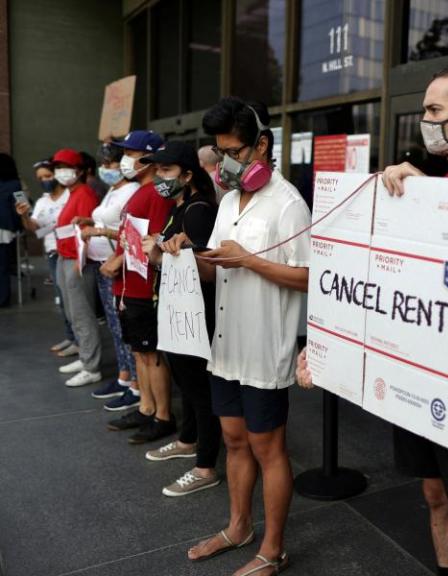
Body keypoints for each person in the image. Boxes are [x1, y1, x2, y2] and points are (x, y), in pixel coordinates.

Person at [300, 63, 448, 576]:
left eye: (435, 110)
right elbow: (376, 284)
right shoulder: (432, 185)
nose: (426, 121)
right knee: (434, 496)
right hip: (418, 366)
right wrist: (325, 342)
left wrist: (441, 205)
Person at [164, 98, 308, 574]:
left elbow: (309, 277)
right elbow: (215, 272)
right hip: (225, 345)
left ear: (261, 145)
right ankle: (238, 526)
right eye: (219, 150)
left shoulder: (288, 203)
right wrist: (187, 254)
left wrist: (249, 260)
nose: (225, 162)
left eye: (233, 150)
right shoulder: (227, 202)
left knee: (269, 448)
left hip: (265, 347)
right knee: (234, 440)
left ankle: (273, 549)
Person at [140, 141, 222, 497]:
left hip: (194, 315)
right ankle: (188, 440)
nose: (160, 177)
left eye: (167, 170)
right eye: (157, 170)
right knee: (187, 385)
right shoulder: (182, 206)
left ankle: (206, 466)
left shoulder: (199, 209)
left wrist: (160, 255)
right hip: (178, 313)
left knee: (200, 391)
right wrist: (159, 250)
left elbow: (205, 269)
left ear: (188, 175)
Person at [100, 130, 177, 439]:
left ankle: (162, 415)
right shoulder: (139, 190)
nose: (125, 160)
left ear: (148, 158)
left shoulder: (157, 192)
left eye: (130, 154)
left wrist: (120, 259)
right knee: (138, 352)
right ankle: (146, 407)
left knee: (150, 353)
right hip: (129, 285)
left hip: (145, 286)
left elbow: (156, 238)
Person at [78, 143, 140, 403]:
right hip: (103, 262)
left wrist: (101, 232)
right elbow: (107, 220)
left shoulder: (132, 191)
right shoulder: (113, 190)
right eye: (103, 163)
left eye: (110, 163)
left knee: (125, 328)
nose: (106, 169)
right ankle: (124, 376)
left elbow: (132, 232)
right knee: (115, 327)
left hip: (120, 265)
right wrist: (90, 223)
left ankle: (136, 385)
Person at [51, 148, 103, 387]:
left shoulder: (85, 194)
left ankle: (91, 366)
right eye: (58, 167)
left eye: (66, 167)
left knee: (82, 314)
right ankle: (85, 357)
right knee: (74, 313)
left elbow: (89, 232)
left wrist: (78, 264)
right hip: (66, 257)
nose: (61, 172)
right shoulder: (73, 192)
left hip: (77, 261)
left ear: (80, 171)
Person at [16, 160, 75, 350]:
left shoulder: (70, 195)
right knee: (62, 300)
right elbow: (34, 228)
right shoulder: (42, 201)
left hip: (72, 252)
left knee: (75, 301)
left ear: (57, 174)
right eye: (40, 178)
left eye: (48, 176)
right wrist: (24, 215)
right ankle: (71, 337)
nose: (45, 181)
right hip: (53, 253)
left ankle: (80, 342)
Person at [0, 153, 23, 308]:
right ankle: (3, 298)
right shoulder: (15, 184)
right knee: (2, 266)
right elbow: (21, 204)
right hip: (5, 229)